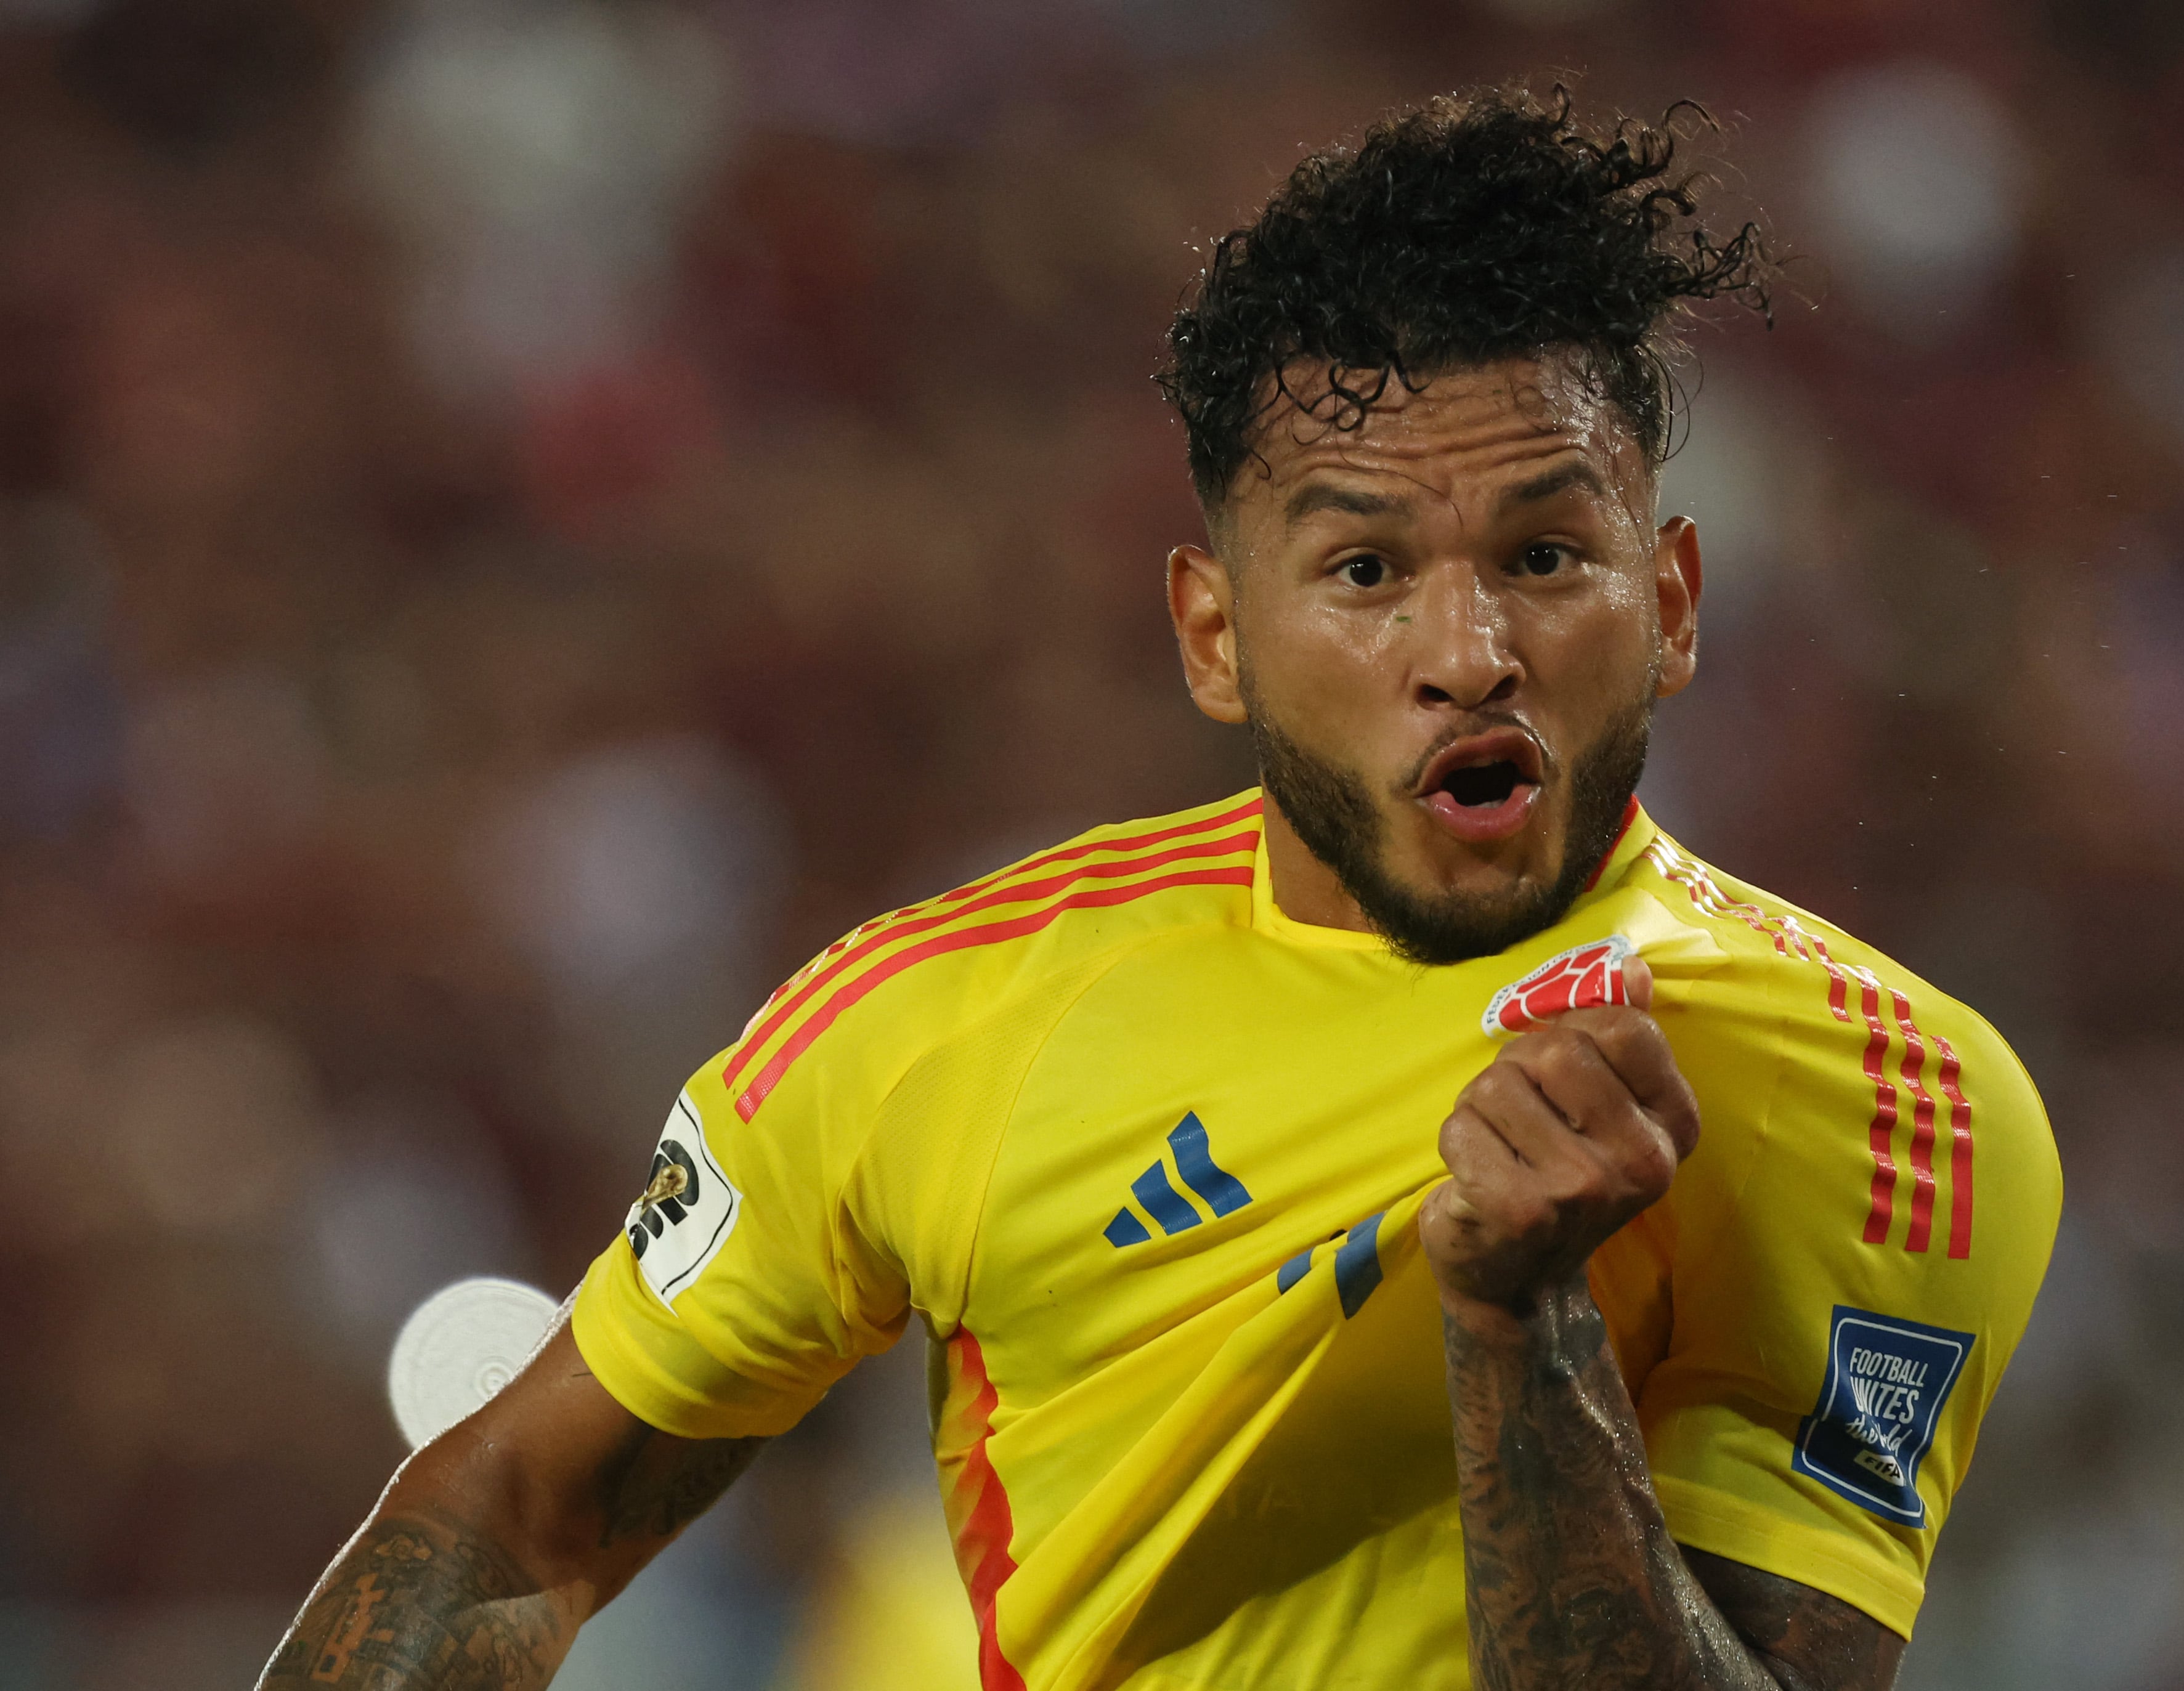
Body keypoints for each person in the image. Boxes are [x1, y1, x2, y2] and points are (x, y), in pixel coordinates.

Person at [260, 86, 2059, 1691]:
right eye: (1364, 565)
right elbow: (513, 1516)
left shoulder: (1887, 1089)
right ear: (1216, 633)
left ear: (1669, 601)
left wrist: (1522, 1333)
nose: (1469, 648)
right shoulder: (935, 1021)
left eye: (1545, 553)